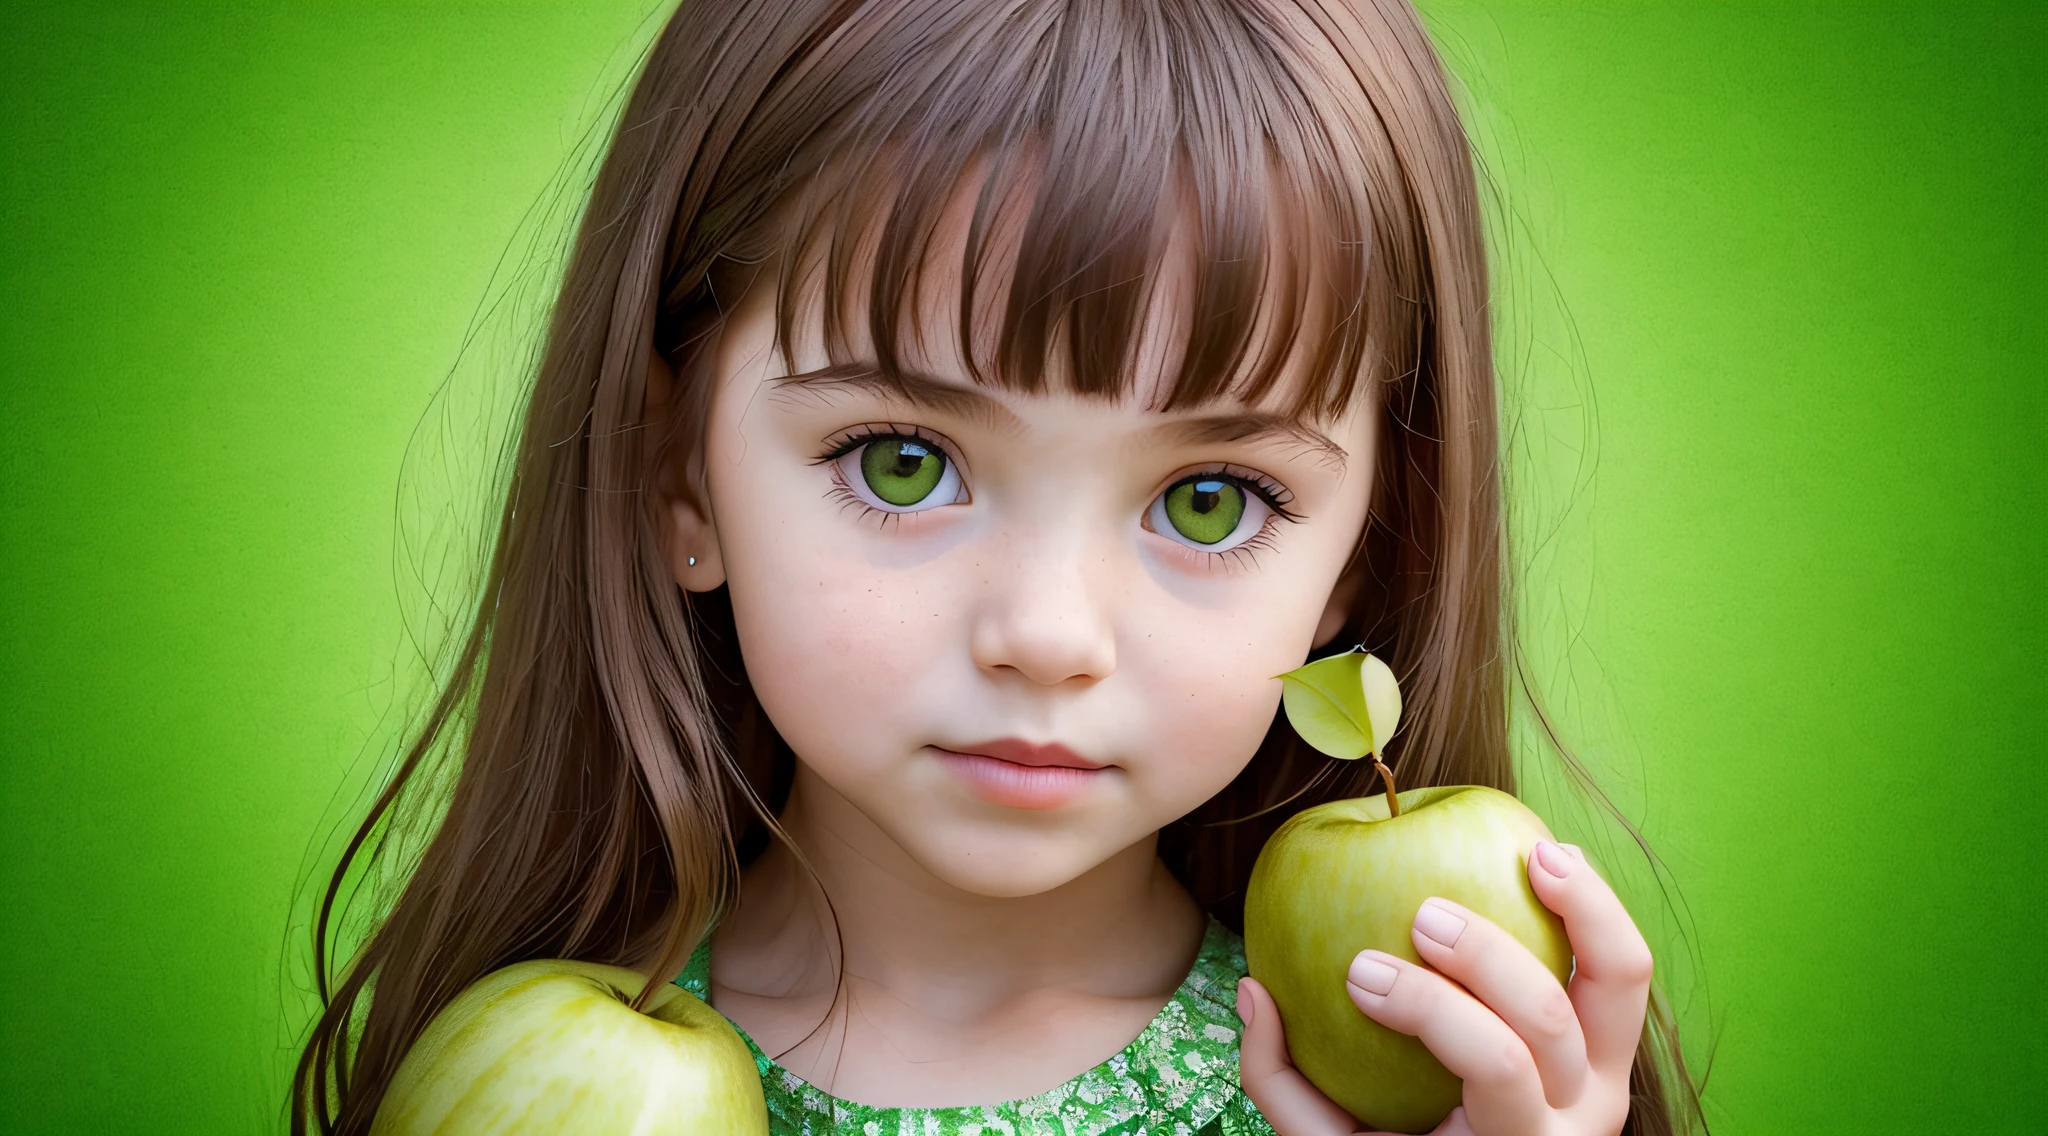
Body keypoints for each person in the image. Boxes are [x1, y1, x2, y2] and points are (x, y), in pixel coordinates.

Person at [292, 0, 1705, 1132]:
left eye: (1209, 502)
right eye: (904, 463)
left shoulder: (1384, 1106)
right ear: (680, 474)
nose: (1045, 633)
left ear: (1366, 551)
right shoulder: (522, 1079)